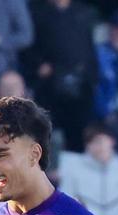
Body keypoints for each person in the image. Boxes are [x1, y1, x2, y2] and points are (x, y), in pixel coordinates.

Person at [26, 0, 98, 152]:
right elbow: (29, 45)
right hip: (51, 83)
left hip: (80, 83)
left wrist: (91, 76)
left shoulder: (84, 11)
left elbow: (89, 47)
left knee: (79, 130)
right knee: (51, 131)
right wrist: (39, 65)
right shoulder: (38, 12)